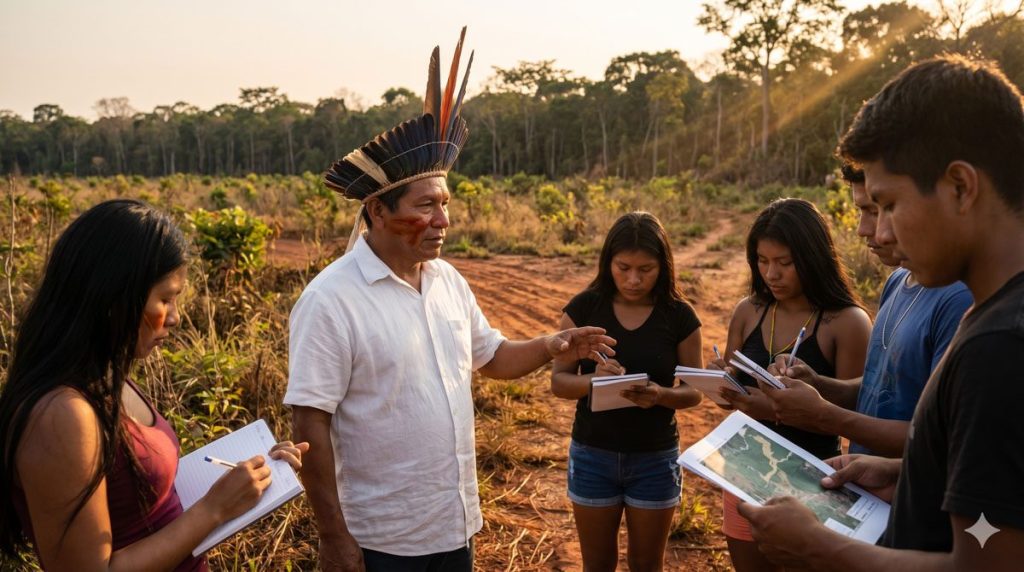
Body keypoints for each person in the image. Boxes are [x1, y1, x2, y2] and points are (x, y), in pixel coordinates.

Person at [285, 30, 615, 572]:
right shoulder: (331, 301)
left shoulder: (446, 280)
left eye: (446, 204)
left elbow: (493, 357)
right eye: (427, 206)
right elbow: (309, 424)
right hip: (379, 539)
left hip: (454, 522)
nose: (444, 221)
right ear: (377, 211)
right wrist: (333, 536)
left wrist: (554, 342)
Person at [739, 55, 1024, 571]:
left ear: (961, 186)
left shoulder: (1000, 346)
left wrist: (820, 547)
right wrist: (907, 475)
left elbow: (988, 566)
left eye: (888, 204)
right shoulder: (995, 317)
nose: (881, 233)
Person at [0, 199, 307, 571]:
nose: (175, 318)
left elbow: (149, 507)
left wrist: (254, 475)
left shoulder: (110, 379)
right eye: (165, 299)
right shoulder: (63, 415)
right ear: (113, 297)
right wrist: (213, 509)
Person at [760, 166, 972, 457]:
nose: (864, 229)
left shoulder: (959, 300)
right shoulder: (897, 280)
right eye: (863, 211)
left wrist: (825, 415)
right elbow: (882, 385)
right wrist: (819, 385)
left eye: (876, 210)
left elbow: (940, 439)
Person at [714, 197, 872, 572]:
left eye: (785, 263)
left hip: (812, 481)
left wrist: (767, 406)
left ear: (814, 257)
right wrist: (720, 383)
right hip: (742, 469)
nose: (772, 274)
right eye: (762, 261)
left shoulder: (846, 323)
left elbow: (850, 415)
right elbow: (730, 395)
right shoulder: (749, 311)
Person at [550, 212, 703, 572]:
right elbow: (559, 382)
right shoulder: (583, 309)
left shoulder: (679, 316)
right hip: (593, 455)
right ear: (608, 263)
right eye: (624, 267)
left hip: (655, 458)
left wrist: (661, 395)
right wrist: (595, 381)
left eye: (646, 270)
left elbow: (694, 391)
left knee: (647, 565)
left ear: (663, 267)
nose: (634, 280)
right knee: (597, 564)